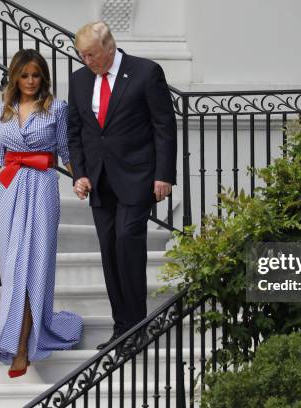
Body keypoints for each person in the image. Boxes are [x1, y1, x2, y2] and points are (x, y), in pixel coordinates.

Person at [67, 22, 177, 351]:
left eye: (92, 54)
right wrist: (80, 174)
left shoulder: (145, 72)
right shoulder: (79, 79)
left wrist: (164, 175)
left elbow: (164, 126)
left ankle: (139, 325)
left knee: (128, 240)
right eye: (82, 55)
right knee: (110, 251)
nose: (87, 60)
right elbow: (77, 130)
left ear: (110, 47)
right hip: (99, 181)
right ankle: (122, 328)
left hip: (138, 176)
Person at [0, 49, 82, 378]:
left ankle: (20, 348)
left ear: (44, 78)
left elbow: (65, 151)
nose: (30, 81)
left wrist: (82, 178)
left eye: (36, 75)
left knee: (33, 271)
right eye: (24, 75)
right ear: (14, 77)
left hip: (42, 190)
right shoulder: (1, 111)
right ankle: (18, 341)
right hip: (8, 191)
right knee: (14, 272)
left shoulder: (57, 108)